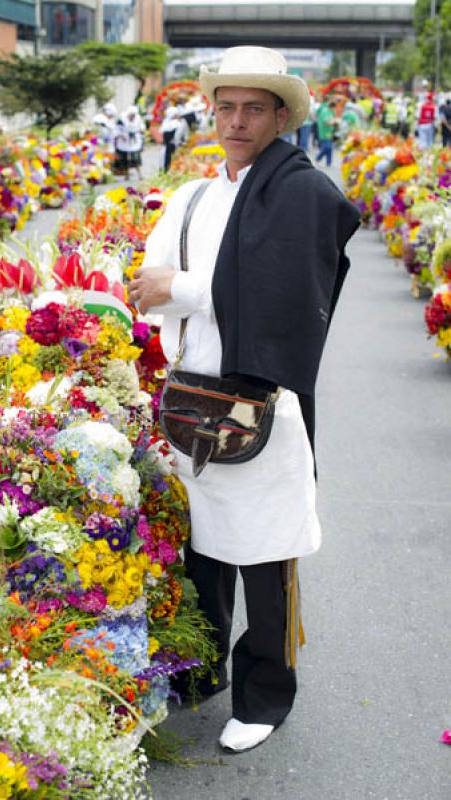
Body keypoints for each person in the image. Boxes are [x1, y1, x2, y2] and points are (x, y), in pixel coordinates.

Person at [128, 46, 360, 753]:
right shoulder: (194, 195)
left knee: (264, 554)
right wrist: (182, 289)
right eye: (225, 107)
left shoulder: (303, 193)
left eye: (252, 109)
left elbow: (285, 294)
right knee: (203, 549)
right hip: (193, 396)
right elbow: (148, 279)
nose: (235, 121)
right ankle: (199, 674)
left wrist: (191, 288)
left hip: (262, 402)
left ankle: (266, 696)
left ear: (281, 115)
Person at [114, 105, 145, 180]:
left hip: (134, 142)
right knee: (125, 160)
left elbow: (142, 127)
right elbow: (116, 130)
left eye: (134, 115)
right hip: (124, 142)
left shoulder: (138, 119)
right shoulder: (121, 120)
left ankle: (140, 175)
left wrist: (141, 130)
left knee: (136, 159)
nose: (133, 117)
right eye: (131, 115)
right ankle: (126, 175)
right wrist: (121, 135)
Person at [316, 99, 337, 167]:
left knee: (330, 148)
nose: (335, 109)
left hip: (330, 132)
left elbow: (333, 119)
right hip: (324, 132)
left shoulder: (331, 111)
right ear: (332, 106)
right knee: (326, 147)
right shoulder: (325, 112)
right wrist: (333, 122)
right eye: (334, 107)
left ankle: (329, 163)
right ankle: (318, 158)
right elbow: (325, 122)